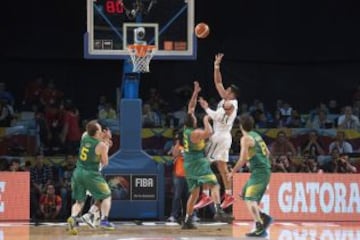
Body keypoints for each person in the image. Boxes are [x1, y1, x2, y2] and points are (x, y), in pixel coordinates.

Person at [181, 81, 233, 229]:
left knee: (194, 194)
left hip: (189, 165)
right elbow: (209, 132)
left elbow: (191, 108)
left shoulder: (186, 128)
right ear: (194, 121)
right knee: (215, 184)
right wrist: (206, 120)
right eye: (196, 118)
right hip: (198, 162)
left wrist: (195, 92)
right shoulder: (195, 133)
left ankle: (187, 220)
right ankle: (219, 210)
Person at [195, 53, 239, 210]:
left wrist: (207, 108)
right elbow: (218, 81)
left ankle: (206, 195)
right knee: (222, 167)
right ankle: (229, 194)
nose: (224, 90)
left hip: (219, 136)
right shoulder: (226, 100)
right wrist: (216, 65)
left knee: (204, 164)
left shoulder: (232, 103)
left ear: (232, 94)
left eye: (227, 90)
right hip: (224, 137)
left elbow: (219, 115)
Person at [228, 114, 272, 237]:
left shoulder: (245, 138)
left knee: (249, 199)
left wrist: (232, 172)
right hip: (261, 171)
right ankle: (264, 217)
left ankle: (260, 227)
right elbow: (267, 153)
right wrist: (253, 161)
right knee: (244, 194)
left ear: (241, 126)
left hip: (260, 172)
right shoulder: (256, 135)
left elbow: (241, 160)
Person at [66, 120, 114, 235]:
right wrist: (107, 144)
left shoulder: (84, 136)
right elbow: (105, 162)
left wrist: (105, 139)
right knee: (107, 195)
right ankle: (104, 220)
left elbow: (96, 139)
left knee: (79, 202)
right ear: (97, 132)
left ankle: (73, 218)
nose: (102, 130)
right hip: (91, 174)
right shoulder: (101, 145)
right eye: (100, 129)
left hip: (78, 172)